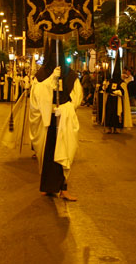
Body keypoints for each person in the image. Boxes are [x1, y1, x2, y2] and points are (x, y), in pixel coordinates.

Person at [29, 39, 82, 201]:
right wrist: (50, 81)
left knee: (64, 152)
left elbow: (77, 97)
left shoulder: (71, 75)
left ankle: (63, 188)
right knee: (48, 154)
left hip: (63, 119)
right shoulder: (42, 75)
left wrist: (65, 109)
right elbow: (36, 97)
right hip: (47, 120)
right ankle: (47, 187)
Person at [102, 52, 132, 134]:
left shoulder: (121, 82)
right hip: (110, 99)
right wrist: (105, 87)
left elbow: (123, 92)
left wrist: (119, 92)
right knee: (109, 114)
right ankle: (109, 128)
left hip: (117, 100)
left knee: (116, 114)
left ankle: (117, 128)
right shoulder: (110, 81)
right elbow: (107, 90)